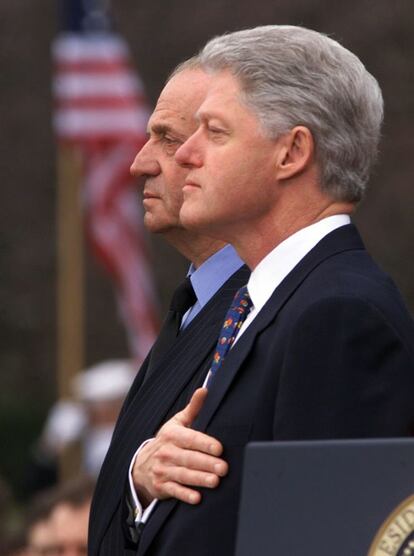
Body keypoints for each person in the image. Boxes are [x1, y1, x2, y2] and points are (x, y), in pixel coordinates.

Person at [120, 26, 414, 555]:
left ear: (292, 153)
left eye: (213, 131)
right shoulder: (267, 301)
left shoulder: (340, 314)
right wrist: (146, 486)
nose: (183, 154)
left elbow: (324, 541)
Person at [88, 60, 248, 555]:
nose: (138, 164)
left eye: (168, 139)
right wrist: (139, 475)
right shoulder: (197, 303)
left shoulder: (279, 307)